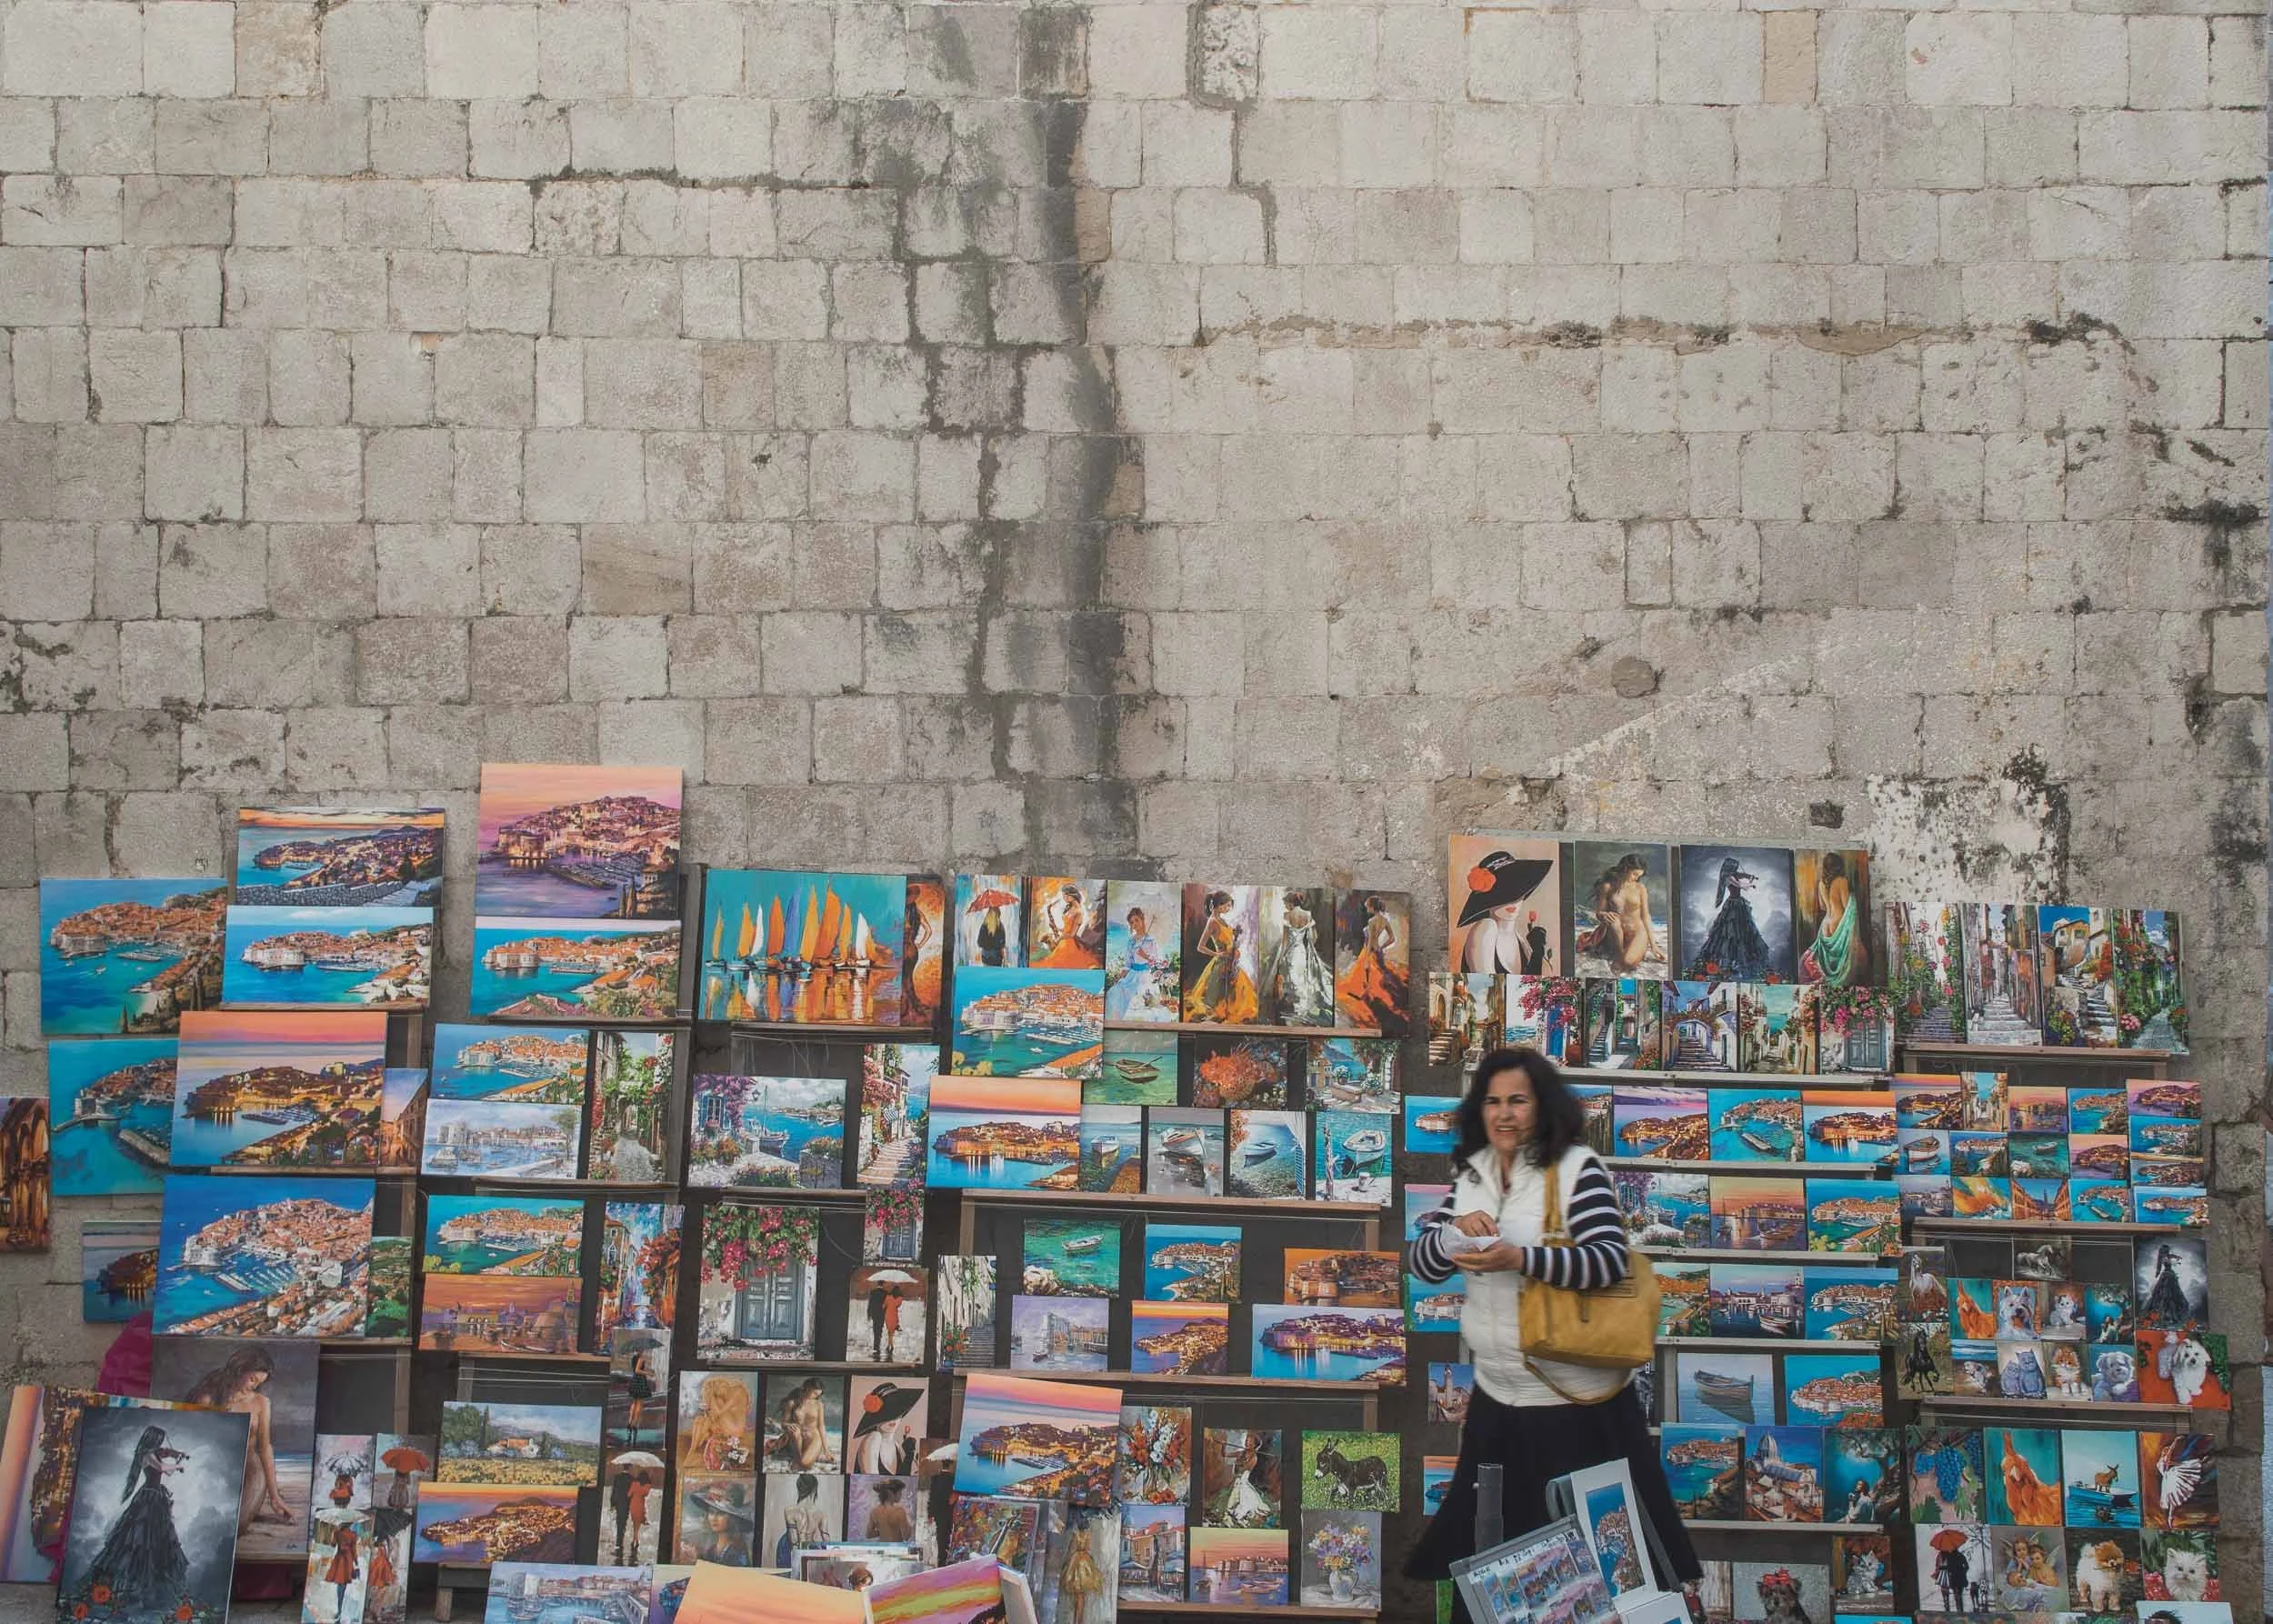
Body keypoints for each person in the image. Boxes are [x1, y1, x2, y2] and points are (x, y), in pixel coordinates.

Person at [1405, 1048, 1699, 1619]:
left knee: (1589, 1574)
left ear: (1542, 1106)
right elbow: (1424, 1264)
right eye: (1492, 1101)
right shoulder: (1473, 1174)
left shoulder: (1576, 1169)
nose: (1504, 1114)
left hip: (1575, 1404)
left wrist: (1522, 1257)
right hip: (1498, 1401)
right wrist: (1450, 1237)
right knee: (1497, 1569)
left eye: (1518, 1099)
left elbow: (1609, 1262)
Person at [182, 1343, 292, 1534]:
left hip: (250, 1465)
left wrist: (275, 1496)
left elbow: (265, 1448)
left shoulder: (261, 1403)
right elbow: (194, 1440)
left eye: (259, 1383)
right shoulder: (207, 1399)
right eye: (252, 1380)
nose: (255, 1386)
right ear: (239, 1369)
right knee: (194, 1520)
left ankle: (250, 1507)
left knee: (235, 1527)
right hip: (214, 1464)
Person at [89, 1425, 190, 1607]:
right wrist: (178, 1465)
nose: (161, 1445)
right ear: (153, 1440)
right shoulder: (147, 1456)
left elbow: (165, 1454)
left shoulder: (155, 1452)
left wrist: (176, 1453)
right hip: (149, 1497)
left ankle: (153, 1593)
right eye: (159, 1441)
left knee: (157, 1539)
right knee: (141, 1540)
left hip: (157, 1496)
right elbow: (162, 1467)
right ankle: (130, 1592)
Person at [1454, 851, 1557, 974]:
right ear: (1487, 899)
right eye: (1502, 894)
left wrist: (1537, 953)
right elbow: (1487, 989)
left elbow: (1544, 984)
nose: (1511, 901)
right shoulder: (1486, 928)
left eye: (1517, 891)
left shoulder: (1519, 937)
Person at [1576, 855, 1660, 974]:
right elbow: (1599, 913)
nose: (1636, 878)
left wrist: (1653, 945)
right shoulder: (1607, 887)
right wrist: (1604, 915)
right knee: (1614, 920)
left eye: (1639, 876)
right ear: (1625, 868)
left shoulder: (1640, 888)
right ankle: (1619, 955)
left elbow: (1646, 916)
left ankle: (1623, 957)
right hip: (1616, 934)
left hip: (1638, 931)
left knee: (1629, 962)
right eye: (1634, 874)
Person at [1183, 890, 1258, 1023]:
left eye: (1230, 906)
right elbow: (1200, 947)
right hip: (1221, 964)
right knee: (1217, 997)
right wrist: (1217, 954)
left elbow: (1228, 941)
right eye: (1227, 906)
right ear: (1219, 905)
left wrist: (1236, 941)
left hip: (1231, 962)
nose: (1228, 909)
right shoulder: (1212, 922)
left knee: (1241, 989)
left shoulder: (1222, 920)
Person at [1692, 856, 1772, 978]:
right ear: (1730, 867)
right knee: (1730, 933)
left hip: (1739, 903)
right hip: (1734, 904)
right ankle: (1727, 967)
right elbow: (1739, 886)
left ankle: (1736, 967)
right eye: (1734, 866)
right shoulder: (1728, 877)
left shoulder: (1734, 874)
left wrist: (1750, 876)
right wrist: (1750, 885)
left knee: (1742, 932)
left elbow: (1741, 875)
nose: (1736, 869)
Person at [1800, 851, 1863, 985]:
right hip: (1838, 922)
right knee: (1840, 964)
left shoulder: (1821, 884)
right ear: (1839, 866)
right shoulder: (1842, 881)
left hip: (1825, 924)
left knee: (1826, 964)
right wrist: (1853, 898)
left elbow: (1823, 906)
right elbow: (1847, 906)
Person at [862, 1477, 913, 1542]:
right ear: (891, 1494)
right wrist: (910, 1524)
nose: (901, 1495)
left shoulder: (874, 1511)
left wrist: (883, 1531)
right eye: (899, 1492)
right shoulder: (899, 1511)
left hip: (881, 1549)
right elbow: (906, 1536)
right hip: (895, 1550)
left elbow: (868, 1535)